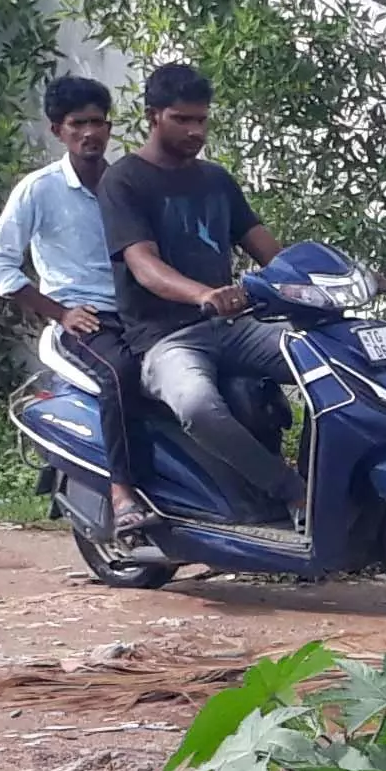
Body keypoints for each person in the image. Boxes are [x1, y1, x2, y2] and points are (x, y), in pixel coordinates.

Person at [100, 61, 293, 512]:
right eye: (181, 119)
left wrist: (330, 280)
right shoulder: (124, 180)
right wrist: (202, 293)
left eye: (201, 120)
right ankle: (288, 490)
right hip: (165, 338)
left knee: (331, 360)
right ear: (153, 116)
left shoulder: (216, 179)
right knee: (198, 406)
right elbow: (144, 265)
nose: (194, 131)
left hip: (232, 327)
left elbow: (269, 250)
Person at [0, 75, 153, 533]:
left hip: (141, 314)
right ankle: (123, 493)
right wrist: (59, 312)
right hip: (84, 321)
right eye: (78, 124)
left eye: (97, 122)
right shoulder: (40, 189)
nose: (89, 133)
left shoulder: (128, 183)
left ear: (110, 127)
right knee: (121, 375)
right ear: (58, 130)